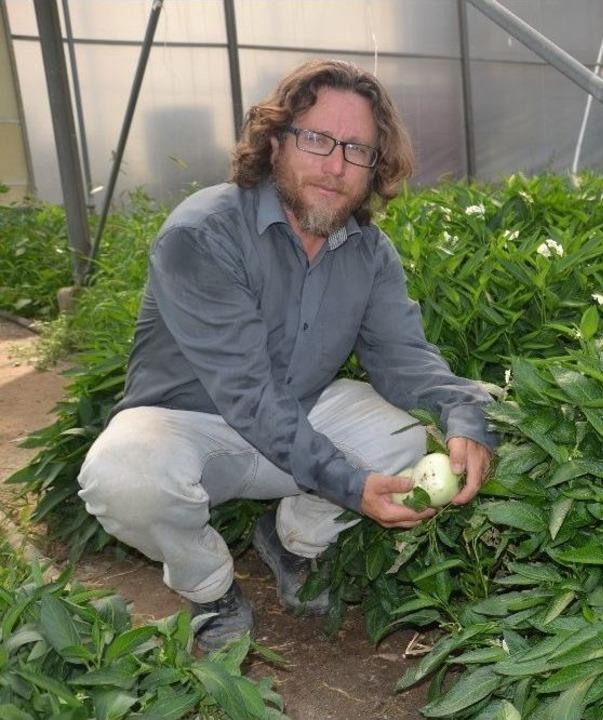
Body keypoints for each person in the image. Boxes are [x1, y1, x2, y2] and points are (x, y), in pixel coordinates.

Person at [77, 59, 496, 651]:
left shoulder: (369, 252)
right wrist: (351, 484)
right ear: (274, 141)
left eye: (357, 149)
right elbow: (248, 394)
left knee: (408, 434)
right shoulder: (203, 233)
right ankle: (210, 585)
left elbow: (404, 358)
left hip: (295, 413)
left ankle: (293, 542)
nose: (335, 165)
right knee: (125, 475)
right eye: (318, 139)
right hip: (190, 426)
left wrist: (465, 413)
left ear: (376, 167)